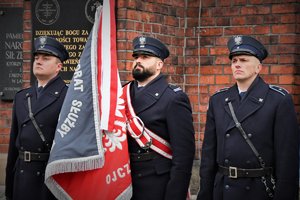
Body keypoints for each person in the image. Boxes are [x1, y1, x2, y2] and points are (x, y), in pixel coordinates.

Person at [197, 35, 299, 200]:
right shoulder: (218, 100)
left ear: (258, 67)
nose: (237, 64)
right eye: (234, 61)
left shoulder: (278, 100)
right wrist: (205, 194)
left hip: (258, 190)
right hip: (223, 189)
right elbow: (209, 154)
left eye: (243, 60)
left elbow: (288, 159)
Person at [123, 36, 195, 200]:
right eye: (136, 57)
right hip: (124, 181)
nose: (138, 61)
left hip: (157, 184)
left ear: (159, 65)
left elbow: (184, 155)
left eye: (145, 57)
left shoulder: (173, 98)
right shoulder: (122, 94)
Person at [5, 36, 69, 200]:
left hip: (49, 178)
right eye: (36, 58)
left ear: (58, 67)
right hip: (22, 174)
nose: (38, 62)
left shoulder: (69, 97)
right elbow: (13, 145)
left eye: (46, 58)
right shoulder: (22, 97)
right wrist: (9, 188)